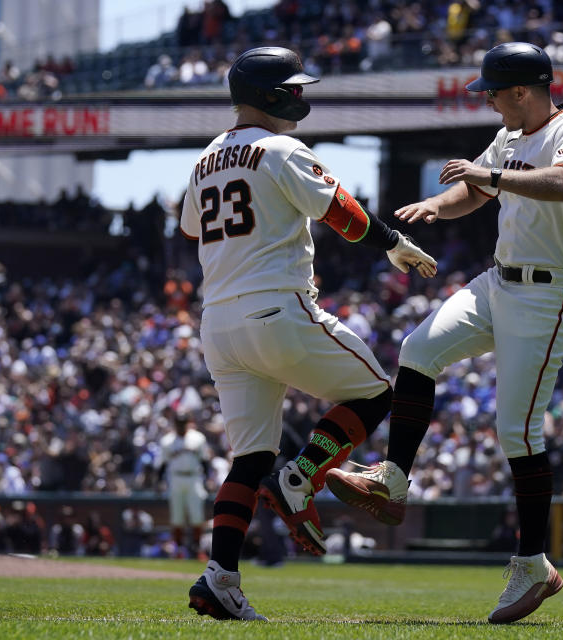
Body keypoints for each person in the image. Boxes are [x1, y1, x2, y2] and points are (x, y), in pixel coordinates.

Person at [327, 41, 563, 624]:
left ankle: (533, 564)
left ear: (523, 91)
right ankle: (394, 479)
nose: (490, 101)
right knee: (417, 350)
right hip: (498, 281)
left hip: (548, 294)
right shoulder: (508, 137)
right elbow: (474, 191)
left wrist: (492, 176)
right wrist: (438, 202)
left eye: (495, 92)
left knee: (517, 432)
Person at [181, 46, 437, 622]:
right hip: (276, 309)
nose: (299, 96)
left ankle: (220, 578)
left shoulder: (204, 159)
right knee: (376, 393)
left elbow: (190, 224)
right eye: (291, 87)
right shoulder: (281, 147)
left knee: (248, 460)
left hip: (218, 322)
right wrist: (394, 243)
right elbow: (342, 212)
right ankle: (300, 477)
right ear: (270, 94)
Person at [158, 413, 212, 557]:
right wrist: (159, 482)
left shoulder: (198, 438)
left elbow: (205, 461)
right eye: (178, 423)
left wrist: (207, 479)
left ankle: (197, 548)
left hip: (194, 477)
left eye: (183, 422)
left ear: (188, 422)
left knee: (197, 516)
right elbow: (162, 465)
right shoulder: (167, 441)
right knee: (177, 517)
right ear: (174, 424)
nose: (181, 425)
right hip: (175, 478)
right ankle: (179, 550)